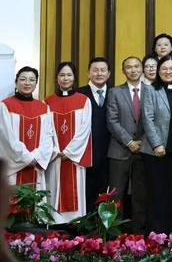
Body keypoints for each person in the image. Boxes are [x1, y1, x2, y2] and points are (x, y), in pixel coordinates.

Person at [106, 57, 151, 231]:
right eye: (128, 67)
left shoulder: (151, 91)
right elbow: (112, 121)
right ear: (123, 71)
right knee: (116, 195)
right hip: (119, 150)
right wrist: (129, 141)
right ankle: (114, 235)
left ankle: (139, 235)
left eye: (136, 66)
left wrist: (142, 141)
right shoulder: (114, 92)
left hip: (144, 150)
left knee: (140, 195)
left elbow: (155, 120)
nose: (133, 70)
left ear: (142, 69)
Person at [44, 62, 92, 223]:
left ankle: (75, 224)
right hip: (55, 157)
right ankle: (54, 225)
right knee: (54, 189)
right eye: (62, 75)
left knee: (74, 191)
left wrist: (69, 151)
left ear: (75, 78)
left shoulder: (84, 101)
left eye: (69, 75)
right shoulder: (48, 102)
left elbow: (85, 130)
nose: (66, 78)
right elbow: (46, 130)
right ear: (56, 78)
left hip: (74, 158)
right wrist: (56, 150)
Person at [142, 55, 172, 233]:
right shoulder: (151, 90)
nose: (168, 72)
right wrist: (157, 144)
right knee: (157, 193)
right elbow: (147, 118)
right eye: (164, 69)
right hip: (156, 151)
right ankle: (156, 233)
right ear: (158, 72)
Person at [0, 67, 54, 193]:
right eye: (23, 79)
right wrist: (28, 157)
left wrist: (37, 156)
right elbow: (6, 137)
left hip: (36, 166)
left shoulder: (44, 108)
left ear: (36, 83)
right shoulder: (5, 106)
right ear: (16, 82)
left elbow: (48, 136)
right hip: (14, 168)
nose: (27, 83)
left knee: (36, 205)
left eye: (32, 80)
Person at [76, 57, 111, 209]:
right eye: (95, 70)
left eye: (103, 70)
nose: (99, 73)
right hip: (85, 151)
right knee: (85, 190)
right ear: (88, 73)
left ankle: (102, 229)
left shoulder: (116, 92)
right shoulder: (78, 94)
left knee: (106, 192)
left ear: (108, 73)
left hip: (110, 152)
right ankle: (83, 228)